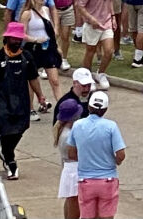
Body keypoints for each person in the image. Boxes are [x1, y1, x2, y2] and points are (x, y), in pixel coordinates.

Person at [0, 21, 37, 180]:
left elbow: (33, 79)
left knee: (21, 128)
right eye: (14, 39)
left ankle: (5, 152)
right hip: (2, 100)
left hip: (21, 100)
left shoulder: (27, 57)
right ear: (7, 38)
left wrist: (40, 96)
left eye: (19, 39)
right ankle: (10, 161)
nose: (17, 42)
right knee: (6, 131)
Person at [66, 91, 127, 219]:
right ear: (105, 109)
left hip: (86, 180)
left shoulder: (77, 125)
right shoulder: (111, 126)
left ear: (89, 106)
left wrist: (85, 158)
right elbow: (121, 154)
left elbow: (71, 153)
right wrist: (116, 161)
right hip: (107, 180)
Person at [52, 68, 93, 217]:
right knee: (74, 199)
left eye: (88, 85)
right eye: (83, 85)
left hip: (75, 161)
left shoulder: (89, 99)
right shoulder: (65, 103)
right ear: (75, 83)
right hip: (75, 164)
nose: (87, 88)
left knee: (72, 198)